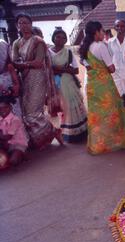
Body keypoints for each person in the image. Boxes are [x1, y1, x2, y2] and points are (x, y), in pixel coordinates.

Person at [11, 13, 63, 150]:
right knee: (25, 111)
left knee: (32, 112)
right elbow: (14, 60)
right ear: (17, 26)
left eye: (26, 23)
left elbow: (38, 63)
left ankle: (51, 132)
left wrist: (22, 65)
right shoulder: (17, 43)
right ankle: (43, 137)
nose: (24, 26)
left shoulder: (38, 41)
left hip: (38, 78)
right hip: (24, 79)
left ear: (31, 24)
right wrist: (24, 65)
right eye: (21, 23)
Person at [79, 21, 125, 155]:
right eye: (102, 31)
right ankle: (113, 141)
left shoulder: (85, 46)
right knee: (111, 112)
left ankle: (98, 143)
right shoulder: (100, 46)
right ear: (96, 32)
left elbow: (85, 63)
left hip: (92, 85)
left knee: (97, 115)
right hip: (105, 85)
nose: (104, 34)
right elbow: (111, 68)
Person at [50, 29, 87, 143]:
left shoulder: (68, 52)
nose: (60, 40)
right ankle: (66, 133)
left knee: (73, 106)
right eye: (58, 37)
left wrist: (60, 69)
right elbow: (47, 69)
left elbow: (76, 70)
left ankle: (79, 133)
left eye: (63, 38)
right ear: (53, 38)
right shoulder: (48, 52)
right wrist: (60, 69)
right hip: (55, 85)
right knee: (63, 109)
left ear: (66, 40)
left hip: (69, 83)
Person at [108, 19, 125, 120]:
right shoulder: (110, 42)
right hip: (116, 76)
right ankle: (122, 123)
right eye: (118, 26)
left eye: (122, 26)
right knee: (119, 100)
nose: (120, 28)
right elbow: (109, 58)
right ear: (114, 28)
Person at [0, 96, 28, 168]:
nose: (2, 110)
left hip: (17, 144)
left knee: (13, 161)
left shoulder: (15, 120)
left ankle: (22, 154)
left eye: (5, 107)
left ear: (10, 107)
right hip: (6, 144)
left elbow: (8, 136)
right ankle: (7, 156)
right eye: (0, 109)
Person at [0, 39, 21, 116]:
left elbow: (16, 84)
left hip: (11, 98)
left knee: (15, 115)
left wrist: (14, 89)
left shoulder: (9, 66)